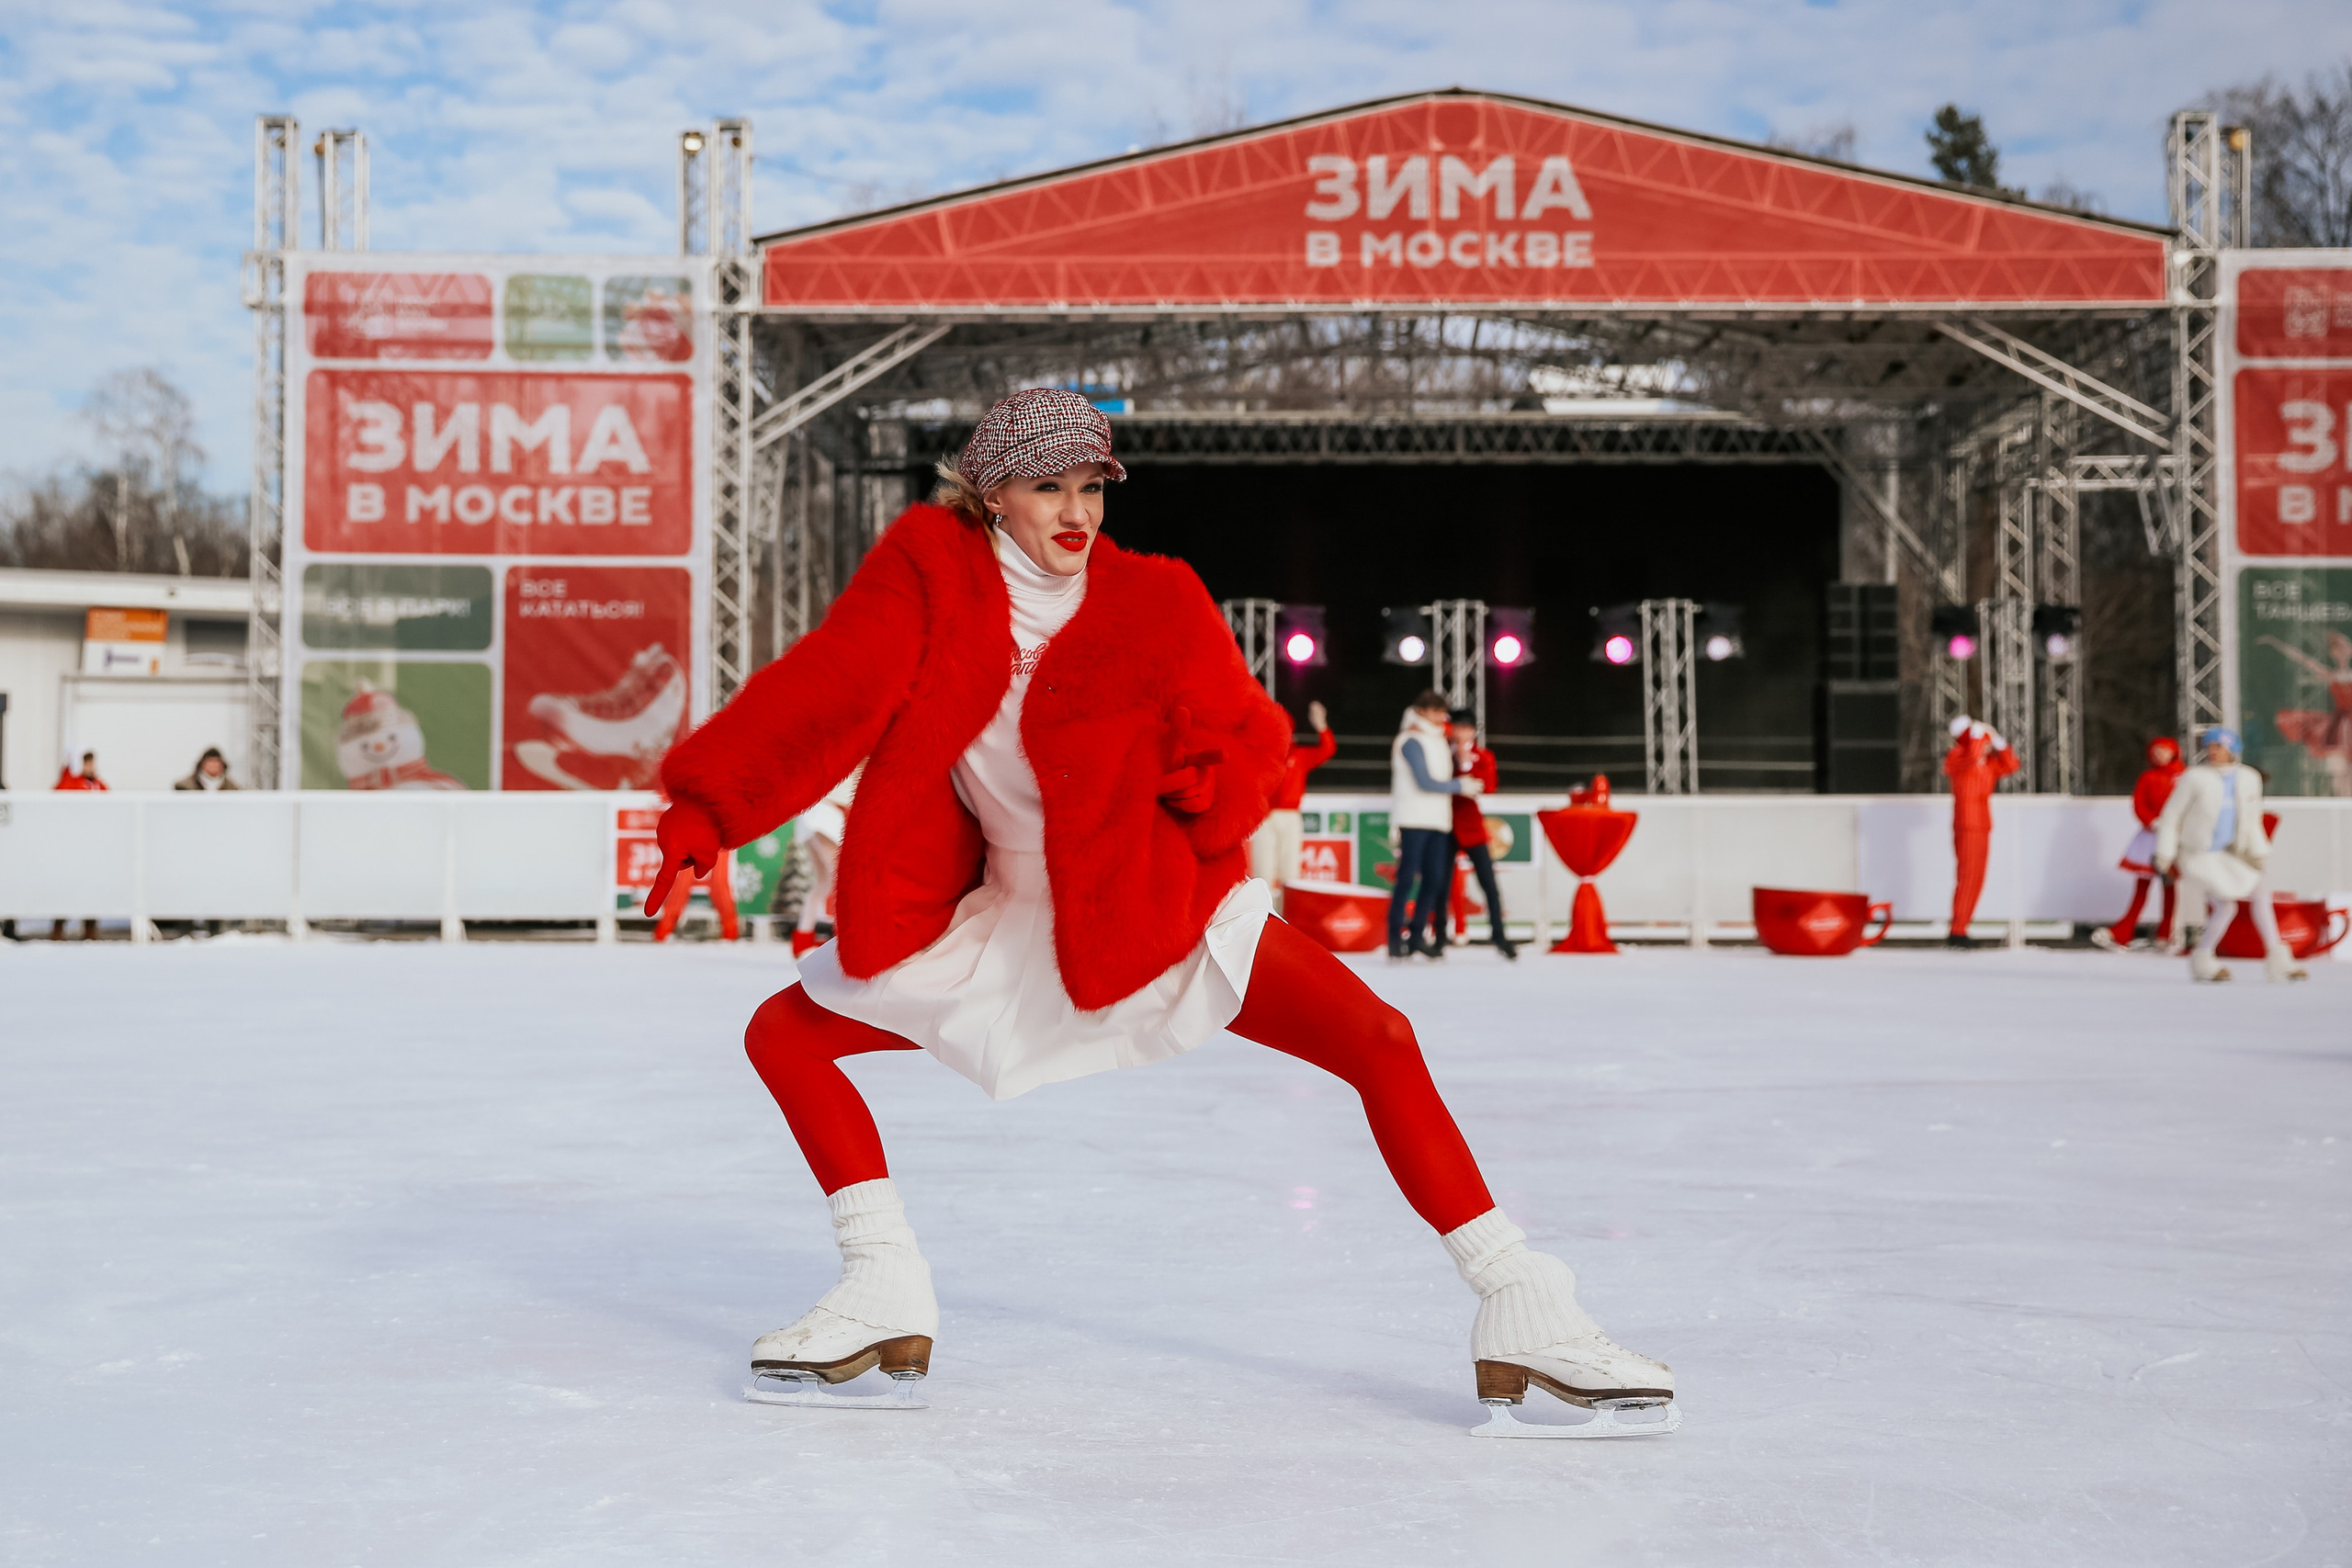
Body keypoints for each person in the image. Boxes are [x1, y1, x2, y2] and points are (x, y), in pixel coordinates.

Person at [646, 389, 1672, 1429]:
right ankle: (882, 1285)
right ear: (989, 491)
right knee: (784, 1034)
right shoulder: (928, 578)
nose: (1075, 510)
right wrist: (707, 806)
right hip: (1005, 914)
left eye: (1090, 486)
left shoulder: (1157, 600)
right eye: (1048, 486)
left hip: (1151, 901)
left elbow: (1251, 738)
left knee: (1379, 1038)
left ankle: (1524, 1304)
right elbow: (829, 689)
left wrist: (1207, 780)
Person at [2154, 727, 2308, 984]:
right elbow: (2171, 817)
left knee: (2259, 892)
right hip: (2197, 854)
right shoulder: (2195, 778)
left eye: (2219, 747)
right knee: (2226, 904)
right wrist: (2164, 854)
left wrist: (2258, 851)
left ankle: (2277, 958)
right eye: (2210, 747)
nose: (2212, 752)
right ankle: (2203, 959)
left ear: (2232, 749)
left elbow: (2252, 818)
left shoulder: (2248, 778)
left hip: (2229, 854)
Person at [1389, 691, 1482, 959]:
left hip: (1438, 820)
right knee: (1406, 878)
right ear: (1422, 712)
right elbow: (1424, 780)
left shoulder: (1439, 738)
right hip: (1414, 818)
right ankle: (1395, 936)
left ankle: (1418, 934)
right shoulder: (1411, 740)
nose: (1444, 718)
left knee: (1435, 879)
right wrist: (1459, 786)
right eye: (1438, 712)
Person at [2091, 738, 2183, 953]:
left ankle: (2165, 933)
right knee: (2143, 886)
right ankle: (2125, 930)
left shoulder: (2184, 778)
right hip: (2150, 838)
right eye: (2155, 751)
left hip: (2173, 837)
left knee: (2169, 886)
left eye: (2163, 751)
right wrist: (2152, 821)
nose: (2159, 755)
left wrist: (2173, 824)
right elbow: (2139, 803)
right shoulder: (2148, 777)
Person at [1248, 701, 1334, 911]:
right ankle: (1262, 921)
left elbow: (1327, 749)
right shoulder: (1260, 753)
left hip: (1290, 816)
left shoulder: (1299, 755)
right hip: (1264, 819)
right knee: (1263, 872)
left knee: (1290, 872)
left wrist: (1321, 725)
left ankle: (1289, 919)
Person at [1942, 715, 2018, 948]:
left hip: (1982, 824)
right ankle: (1958, 929)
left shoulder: (1985, 760)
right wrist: (1977, 736)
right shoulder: (1957, 756)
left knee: (1976, 878)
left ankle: (1962, 926)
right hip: (1967, 823)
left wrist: (1998, 742)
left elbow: (2011, 765)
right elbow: (1971, 756)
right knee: (1967, 877)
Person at [1447, 709, 1516, 959]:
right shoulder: (1442, 754)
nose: (1462, 732)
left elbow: (1489, 785)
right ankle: (1440, 936)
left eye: (1466, 728)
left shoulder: (1483, 756)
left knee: (1489, 884)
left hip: (1472, 827)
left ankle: (1499, 935)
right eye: (1458, 727)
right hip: (1446, 826)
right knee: (1441, 884)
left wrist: (1467, 765)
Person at [2257, 631, 2352, 796]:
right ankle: (2343, 805)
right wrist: (2275, 642)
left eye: (2345, 645)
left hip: (2344, 724)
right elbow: (2301, 659)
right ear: (2333, 653)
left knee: (2345, 770)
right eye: (2339, 647)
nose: (2343, 650)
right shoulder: (2330, 675)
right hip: (2341, 725)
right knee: (2339, 770)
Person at [792, 766, 860, 956]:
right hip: (827, 811)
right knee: (841, 879)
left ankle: (802, 939)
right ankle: (841, 940)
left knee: (823, 882)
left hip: (814, 810)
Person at [51, 752, 106, 939]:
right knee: (66, 886)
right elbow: (60, 792)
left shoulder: (99, 785)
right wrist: (68, 770)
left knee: (92, 887)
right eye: (86, 763)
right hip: (71, 846)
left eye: (92, 763)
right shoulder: (72, 783)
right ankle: (58, 927)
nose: (90, 767)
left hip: (92, 847)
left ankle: (90, 929)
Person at [174, 748, 239, 792]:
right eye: (210, 761)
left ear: (222, 765)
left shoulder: (232, 788)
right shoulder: (185, 786)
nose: (213, 765)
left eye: (216, 762)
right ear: (202, 764)